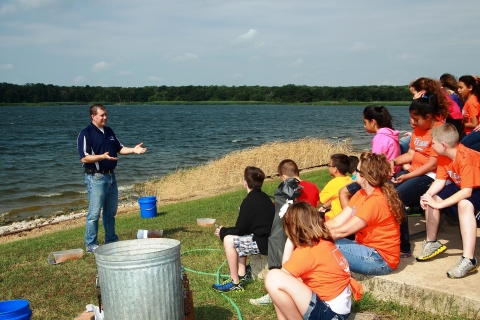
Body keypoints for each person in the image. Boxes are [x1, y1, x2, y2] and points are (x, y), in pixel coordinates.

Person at [265, 201, 362, 320]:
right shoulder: (323, 242)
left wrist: (290, 241)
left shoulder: (307, 251)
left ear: (291, 228)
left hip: (330, 314)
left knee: (273, 278)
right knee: (281, 287)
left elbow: (281, 276)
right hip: (340, 309)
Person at [77, 104, 147, 253]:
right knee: (94, 213)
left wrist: (134, 150)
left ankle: (111, 240)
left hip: (110, 177)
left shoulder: (108, 131)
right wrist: (101, 157)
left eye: (105, 115)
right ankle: (91, 244)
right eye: (102, 115)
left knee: (110, 212)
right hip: (95, 178)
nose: (105, 118)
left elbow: (120, 148)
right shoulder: (85, 133)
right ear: (93, 116)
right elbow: (84, 158)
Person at [250, 159, 319, 306]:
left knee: (276, 238)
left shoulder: (287, 189)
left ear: (283, 176)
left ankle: (275, 291)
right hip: (312, 232)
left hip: (294, 235)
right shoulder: (313, 187)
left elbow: (280, 215)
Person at [417, 124, 480, 278]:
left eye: (433, 143)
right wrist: (427, 195)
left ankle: (469, 259)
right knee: (432, 198)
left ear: (443, 145)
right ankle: (432, 242)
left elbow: (467, 191)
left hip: (475, 188)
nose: (431, 146)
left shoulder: (466, 158)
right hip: (465, 185)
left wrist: (439, 204)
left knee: (464, 204)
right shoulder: (444, 157)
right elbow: (439, 181)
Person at [325, 151, 403, 275]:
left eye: (357, 170)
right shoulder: (361, 194)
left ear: (364, 177)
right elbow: (337, 221)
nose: (354, 173)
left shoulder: (376, 200)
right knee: (323, 242)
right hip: (365, 248)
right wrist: (314, 229)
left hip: (381, 260)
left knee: (326, 246)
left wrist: (313, 235)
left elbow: (343, 231)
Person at [389, 93, 446, 257]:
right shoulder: (418, 131)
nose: (412, 122)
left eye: (416, 119)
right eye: (411, 118)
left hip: (431, 176)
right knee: (384, 191)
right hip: (414, 171)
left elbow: (433, 164)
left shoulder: (438, 131)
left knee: (396, 196)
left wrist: (407, 176)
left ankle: (403, 246)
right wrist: (394, 162)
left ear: (428, 117)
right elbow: (411, 154)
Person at [212, 166, 275, 292]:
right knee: (239, 238)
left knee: (229, 240)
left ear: (245, 182)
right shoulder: (265, 197)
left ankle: (235, 282)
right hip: (268, 238)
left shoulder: (249, 201)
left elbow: (240, 229)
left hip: (263, 243)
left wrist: (223, 231)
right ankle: (241, 273)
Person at [338, 105, 400, 209]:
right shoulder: (390, 135)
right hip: (392, 174)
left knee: (343, 192)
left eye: (365, 122)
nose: (364, 126)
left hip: (383, 178)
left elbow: (373, 165)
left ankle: (349, 219)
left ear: (373, 122)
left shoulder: (379, 139)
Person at [319, 154, 354, 220]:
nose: (329, 167)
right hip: (348, 215)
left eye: (329, 165)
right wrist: (324, 206)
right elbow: (335, 196)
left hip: (336, 217)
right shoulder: (349, 179)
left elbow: (318, 200)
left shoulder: (334, 183)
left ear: (335, 169)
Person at [458, 75, 480, 152]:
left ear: (470, 87)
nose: (459, 90)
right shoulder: (468, 101)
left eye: (461, 88)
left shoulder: (471, 102)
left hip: (472, 134)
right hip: (468, 133)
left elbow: (475, 124)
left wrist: (459, 124)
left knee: (463, 147)